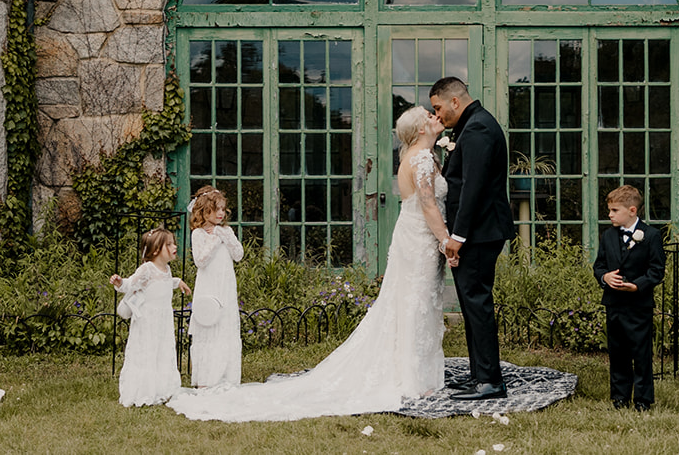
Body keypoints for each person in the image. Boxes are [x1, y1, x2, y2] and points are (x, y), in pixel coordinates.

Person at [167, 106, 450, 421]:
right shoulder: (421, 158)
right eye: (428, 115)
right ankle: (413, 376)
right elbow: (427, 202)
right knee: (414, 303)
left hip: (411, 236)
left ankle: (413, 371)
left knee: (410, 303)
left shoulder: (412, 156)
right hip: (421, 236)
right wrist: (446, 239)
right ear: (420, 129)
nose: (433, 117)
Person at [430, 76, 514, 401]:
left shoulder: (478, 127)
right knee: (471, 305)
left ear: (455, 100)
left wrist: (458, 236)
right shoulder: (471, 124)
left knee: (477, 304)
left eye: (438, 108)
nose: (437, 116)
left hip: (479, 233)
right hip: (478, 232)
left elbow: (473, 187)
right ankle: (479, 375)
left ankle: (491, 382)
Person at [593, 184, 666, 411]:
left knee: (641, 353)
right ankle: (620, 397)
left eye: (615, 210)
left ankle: (643, 399)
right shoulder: (608, 236)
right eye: (610, 210)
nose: (610, 214)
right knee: (617, 352)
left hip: (638, 304)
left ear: (632, 211)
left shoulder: (651, 236)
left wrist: (637, 286)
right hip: (614, 304)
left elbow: (657, 270)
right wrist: (605, 277)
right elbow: (599, 265)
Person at [112, 227, 190, 407]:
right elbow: (130, 284)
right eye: (169, 244)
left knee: (162, 351)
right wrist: (120, 282)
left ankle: (162, 388)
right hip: (147, 322)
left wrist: (177, 282)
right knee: (147, 352)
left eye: (174, 243)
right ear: (156, 250)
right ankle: (143, 390)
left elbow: (162, 282)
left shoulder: (166, 269)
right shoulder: (146, 269)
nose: (174, 246)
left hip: (163, 321)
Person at [188, 185, 244, 388]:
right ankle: (206, 378)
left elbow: (238, 255)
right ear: (204, 211)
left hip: (226, 286)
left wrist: (223, 234)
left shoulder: (226, 230)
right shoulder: (198, 234)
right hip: (208, 287)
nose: (221, 213)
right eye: (216, 209)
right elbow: (200, 261)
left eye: (223, 209)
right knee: (209, 327)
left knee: (226, 327)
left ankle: (227, 377)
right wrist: (213, 239)